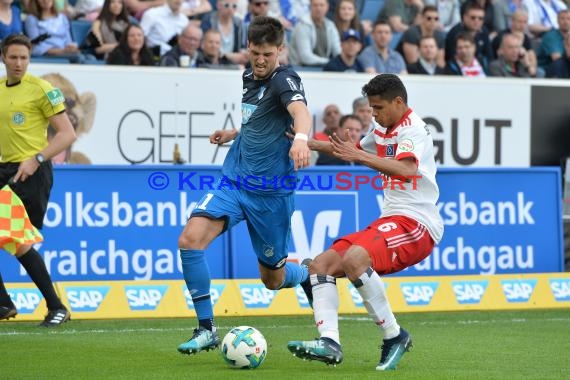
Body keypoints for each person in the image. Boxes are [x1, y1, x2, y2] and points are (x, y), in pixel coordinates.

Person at [287, 73, 444, 371]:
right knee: (320, 265)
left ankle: (394, 336)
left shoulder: (413, 130)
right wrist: (308, 143)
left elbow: (407, 169)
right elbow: (352, 149)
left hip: (417, 224)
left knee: (356, 257)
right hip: (392, 219)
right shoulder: (382, 127)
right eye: (371, 108)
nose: (374, 114)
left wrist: (358, 157)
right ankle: (329, 342)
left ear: (398, 102)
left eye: (379, 108)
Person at [176, 15, 312, 355]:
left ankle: (308, 274)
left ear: (280, 49)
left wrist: (301, 139)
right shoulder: (249, 75)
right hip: (235, 182)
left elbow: (300, 112)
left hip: (271, 196)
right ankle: (206, 329)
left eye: (268, 53)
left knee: (273, 281)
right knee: (190, 240)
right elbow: (259, 120)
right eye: (255, 53)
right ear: (248, 50)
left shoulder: (286, 79)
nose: (261, 60)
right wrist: (235, 133)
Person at [0, 34, 76, 326]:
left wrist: (37, 159)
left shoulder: (43, 89)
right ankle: (7, 304)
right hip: (5, 168)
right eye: (13, 57)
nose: (19, 63)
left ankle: (56, 307)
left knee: (17, 240)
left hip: (31, 172)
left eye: (24, 58)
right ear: (4, 58)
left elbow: (68, 134)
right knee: (16, 240)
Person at [289, 0, 341, 66]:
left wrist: (340, 62)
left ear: (327, 7)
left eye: (321, 5)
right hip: (301, 68)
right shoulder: (302, 26)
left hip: (324, 68)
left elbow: (337, 51)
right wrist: (330, 62)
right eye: (315, 5)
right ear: (310, 7)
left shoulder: (330, 25)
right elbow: (306, 57)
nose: (318, 8)